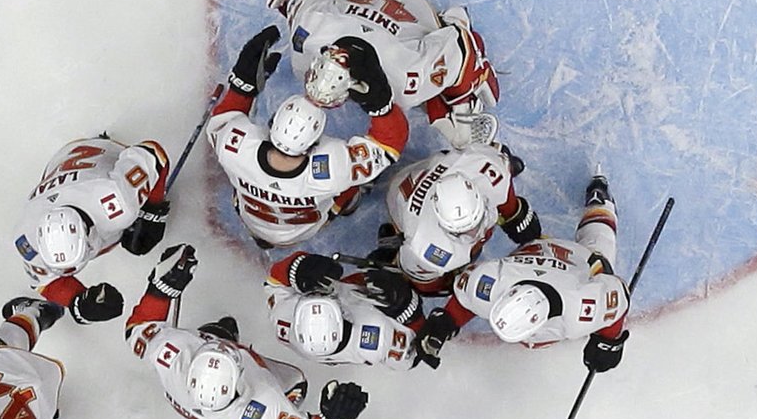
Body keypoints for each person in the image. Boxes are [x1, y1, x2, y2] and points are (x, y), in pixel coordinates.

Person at [125, 244, 370, 419]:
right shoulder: (263, 410)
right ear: (239, 381)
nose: (221, 345)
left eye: (212, 346)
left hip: (192, 406)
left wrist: (163, 288)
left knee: (217, 330)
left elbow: (138, 327)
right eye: (227, 349)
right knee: (296, 382)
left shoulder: (169, 355)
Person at [268, 0, 499, 147]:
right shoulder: (308, 33)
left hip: (418, 13)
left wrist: (460, 106)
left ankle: (450, 23)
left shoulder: (405, 80)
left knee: (455, 98)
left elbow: (462, 43)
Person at [206, 25, 408, 247]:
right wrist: (379, 101)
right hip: (304, 228)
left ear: (272, 125)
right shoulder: (334, 168)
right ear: (314, 144)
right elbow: (390, 142)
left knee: (351, 174)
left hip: (252, 217)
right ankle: (350, 201)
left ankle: (263, 232)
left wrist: (242, 85)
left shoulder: (234, 149)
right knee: (354, 180)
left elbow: (223, 118)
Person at [414, 174, 629, 370]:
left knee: (600, 248)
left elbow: (617, 294)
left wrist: (609, 341)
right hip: (535, 252)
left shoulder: (581, 308)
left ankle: (601, 202)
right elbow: (466, 299)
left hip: (579, 260)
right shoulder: (491, 284)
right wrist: (444, 323)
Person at [12, 133, 171, 323]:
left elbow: (153, 154)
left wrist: (153, 210)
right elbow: (46, 281)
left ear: (87, 235)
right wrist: (78, 302)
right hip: (63, 161)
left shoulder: (118, 202)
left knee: (140, 239)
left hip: (108, 153)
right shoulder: (27, 239)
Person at [383, 144, 542, 292]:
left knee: (498, 166)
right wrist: (451, 282)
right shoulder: (422, 248)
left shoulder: (488, 169)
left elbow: (503, 189)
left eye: (475, 225)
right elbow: (426, 285)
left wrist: (515, 214)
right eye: (463, 232)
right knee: (433, 283)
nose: (474, 234)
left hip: (435, 170)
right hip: (400, 200)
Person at [264, 251, 424, 369]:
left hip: (355, 293)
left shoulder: (283, 320)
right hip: (378, 303)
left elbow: (274, 283)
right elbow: (416, 354)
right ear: (343, 316)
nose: (319, 293)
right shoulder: (375, 342)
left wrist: (297, 268)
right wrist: (405, 304)